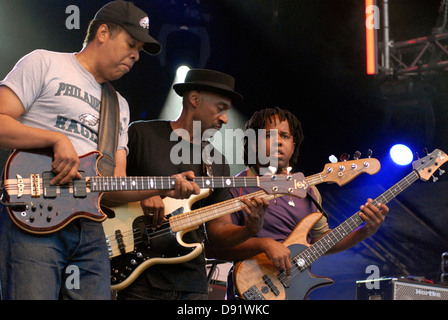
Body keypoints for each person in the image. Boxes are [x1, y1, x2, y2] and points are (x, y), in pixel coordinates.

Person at [0, 1, 199, 300]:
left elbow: (115, 185)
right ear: (103, 32)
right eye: (131, 44)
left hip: (91, 229)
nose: (134, 55)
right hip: (35, 215)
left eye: (139, 52)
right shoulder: (44, 62)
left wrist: (167, 185)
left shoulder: (119, 105)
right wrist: (54, 139)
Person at [204, 107, 389, 299]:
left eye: (285, 136)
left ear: (293, 145)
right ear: (252, 143)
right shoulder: (233, 188)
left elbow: (321, 242)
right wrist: (263, 244)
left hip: (295, 292)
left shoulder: (309, 192)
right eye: (269, 135)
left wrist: (365, 231)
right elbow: (214, 245)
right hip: (251, 290)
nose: (278, 142)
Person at [116, 68, 269, 300]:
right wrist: (141, 194)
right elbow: (105, 189)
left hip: (191, 283)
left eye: (227, 111)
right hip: (139, 278)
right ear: (194, 99)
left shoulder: (217, 161)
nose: (225, 118)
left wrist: (250, 228)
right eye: (220, 108)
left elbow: (218, 232)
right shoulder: (141, 134)